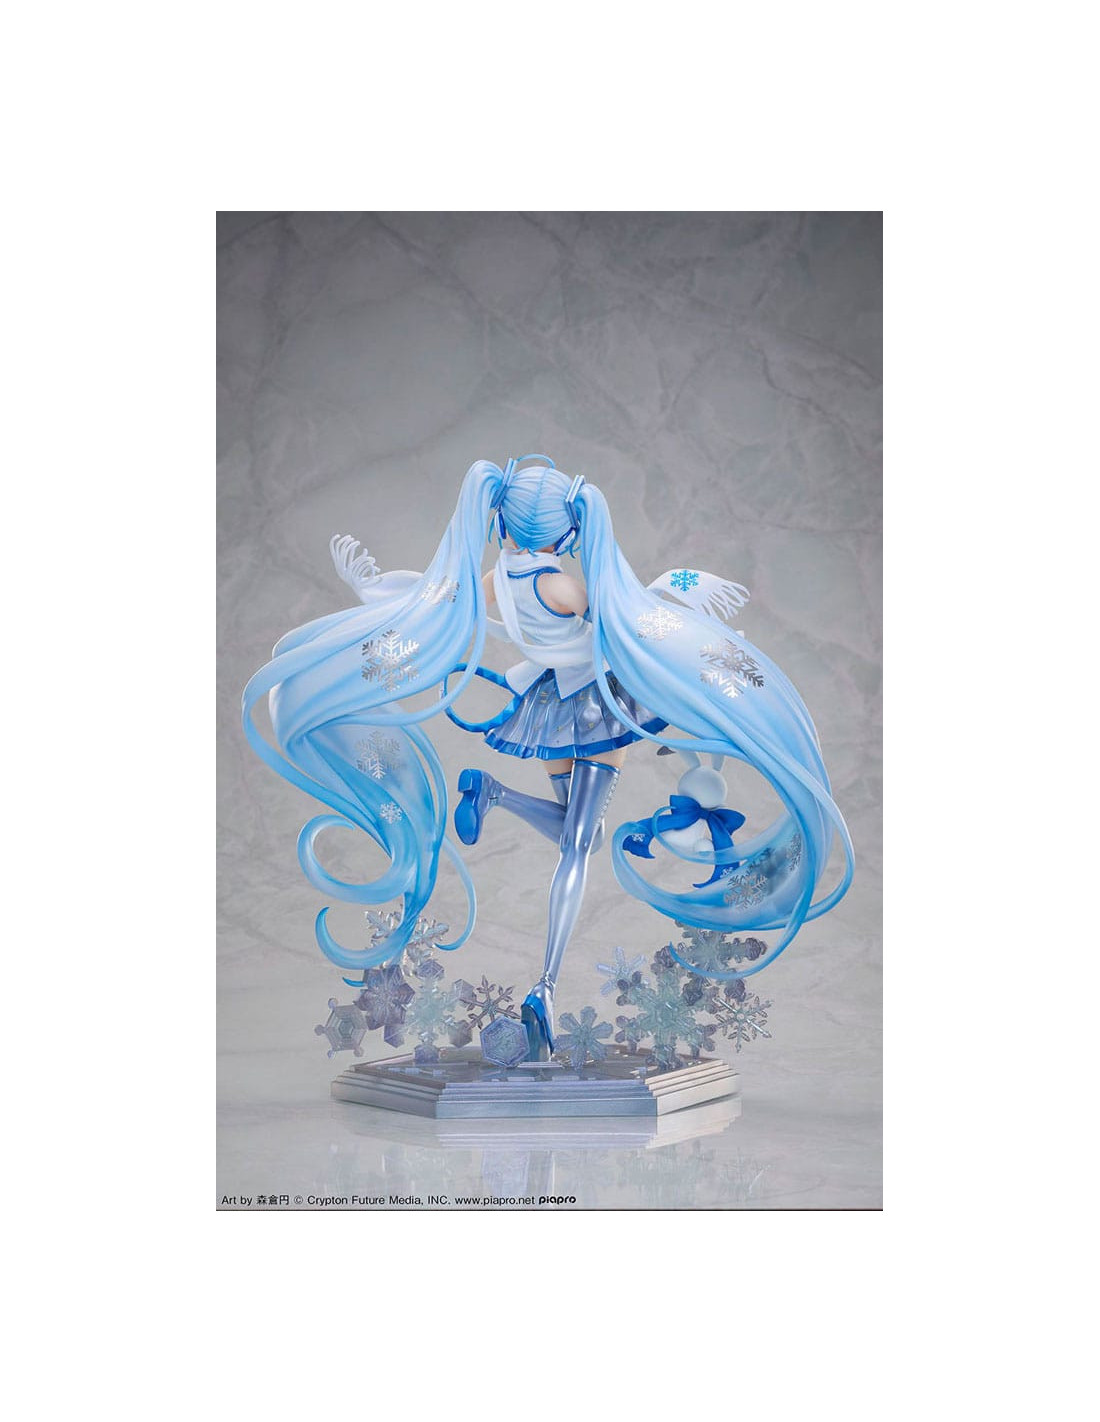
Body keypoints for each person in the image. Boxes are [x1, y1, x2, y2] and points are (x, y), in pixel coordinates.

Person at [242, 455, 853, 1061]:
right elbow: (627, 626)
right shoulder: (563, 586)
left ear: (502, 525)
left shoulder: (495, 581)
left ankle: (496, 795)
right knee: (579, 846)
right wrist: (688, 623)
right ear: (567, 534)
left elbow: (435, 600)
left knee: (580, 834)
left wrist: (374, 590)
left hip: (547, 708)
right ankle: (546, 984)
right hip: (595, 710)